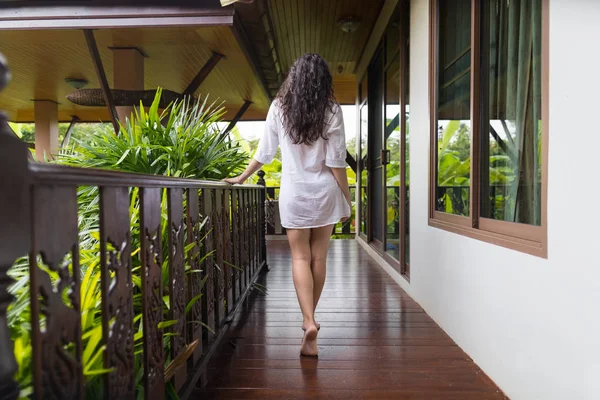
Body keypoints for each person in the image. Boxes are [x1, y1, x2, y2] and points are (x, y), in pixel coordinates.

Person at [224, 53, 351, 357]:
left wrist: (242, 176)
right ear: (324, 81)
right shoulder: (332, 109)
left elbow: (265, 152)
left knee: (299, 258)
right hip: (325, 194)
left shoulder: (279, 108)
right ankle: (311, 319)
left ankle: (308, 320)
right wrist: (347, 199)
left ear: (294, 78)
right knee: (318, 259)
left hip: (294, 194)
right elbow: (336, 162)